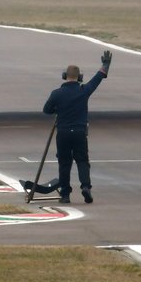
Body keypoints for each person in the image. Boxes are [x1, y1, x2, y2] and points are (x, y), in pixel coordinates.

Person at [42, 51, 113, 204]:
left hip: (63, 133)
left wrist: (58, 110)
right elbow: (98, 78)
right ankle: (86, 186)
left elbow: (46, 110)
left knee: (64, 163)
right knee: (82, 161)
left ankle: (65, 194)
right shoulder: (83, 91)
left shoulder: (56, 93)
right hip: (80, 132)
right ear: (79, 77)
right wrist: (105, 65)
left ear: (64, 76)